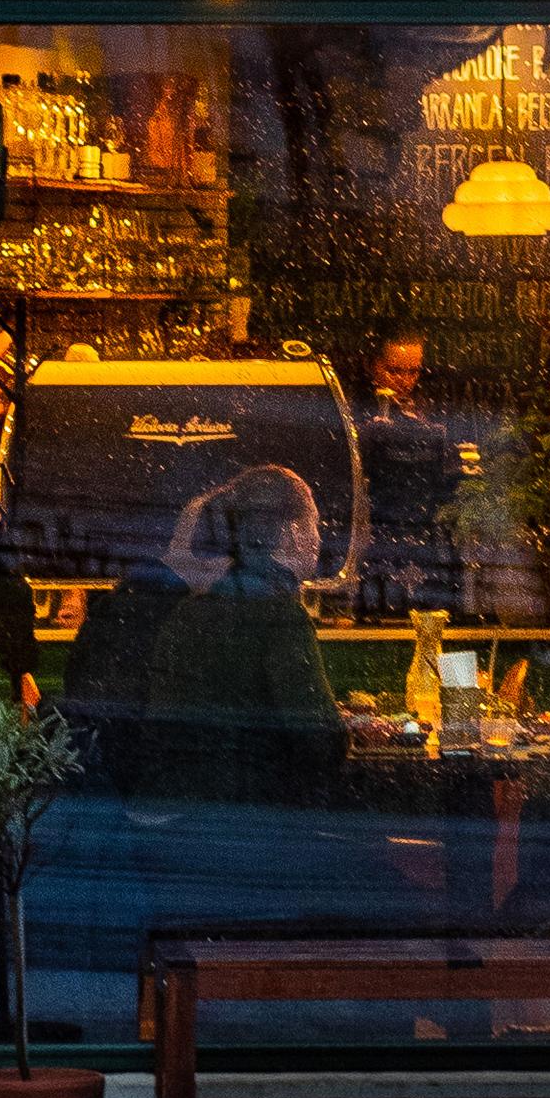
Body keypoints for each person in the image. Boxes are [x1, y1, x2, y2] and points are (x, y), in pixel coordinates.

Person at [143, 465, 344, 812]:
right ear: (294, 532)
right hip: (247, 820)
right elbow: (320, 741)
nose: (319, 537)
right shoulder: (280, 616)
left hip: (179, 816)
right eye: (314, 524)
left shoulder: (192, 612)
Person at [355, 330, 462, 620]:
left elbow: (448, 482)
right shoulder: (354, 413)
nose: (404, 380)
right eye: (395, 370)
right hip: (376, 537)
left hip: (421, 537)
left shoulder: (431, 417)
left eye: (412, 371)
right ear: (374, 366)